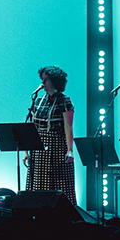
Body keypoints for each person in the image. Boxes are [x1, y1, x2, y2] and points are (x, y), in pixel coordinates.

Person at [24, 66, 76, 205]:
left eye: (45, 80)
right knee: (38, 184)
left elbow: (68, 126)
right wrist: (25, 151)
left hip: (57, 147)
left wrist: (70, 150)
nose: (43, 83)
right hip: (38, 147)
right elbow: (32, 126)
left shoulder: (65, 101)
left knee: (58, 183)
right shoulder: (38, 101)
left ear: (54, 81)